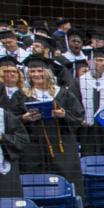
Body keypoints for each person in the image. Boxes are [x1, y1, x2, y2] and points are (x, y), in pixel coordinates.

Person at [18, 58, 85, 190]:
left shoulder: (64, 94)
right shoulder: (22, 95)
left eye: (40, 70)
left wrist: (64, 114)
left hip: (63, 146)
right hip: (34, 148)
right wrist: (24, 118)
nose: (36, 74)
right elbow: (12, 119)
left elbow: (78, 116)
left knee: (67, 181)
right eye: (32, 71)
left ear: (48, 73)